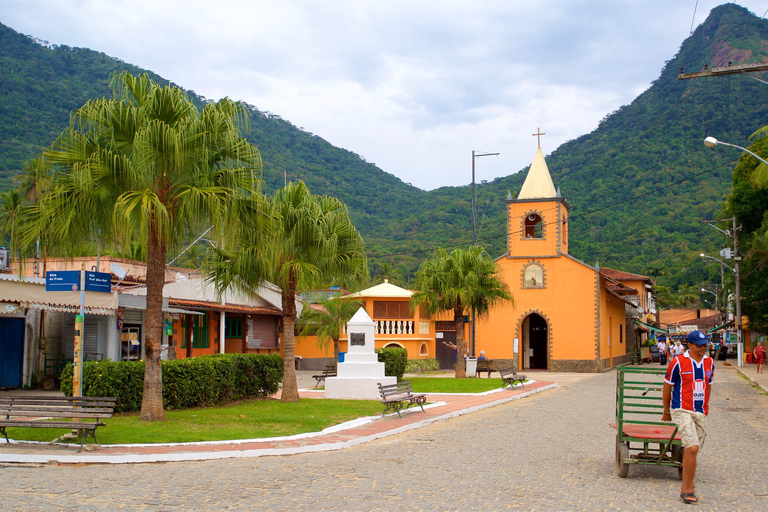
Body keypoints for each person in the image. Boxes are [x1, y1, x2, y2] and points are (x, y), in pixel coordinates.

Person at [662, 330, 715, 505]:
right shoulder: (678, 362)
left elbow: (708, 386)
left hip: (699, 411)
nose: (703, 348)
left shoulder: (710, 363)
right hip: (681, 409)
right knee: (692, 448)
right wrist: (666, 411)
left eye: (705, 345)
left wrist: (705, 407)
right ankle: (688, 488)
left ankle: (686, 483)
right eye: (699, 345)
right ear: (689, 345)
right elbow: (667, 387)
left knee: (694, 449)